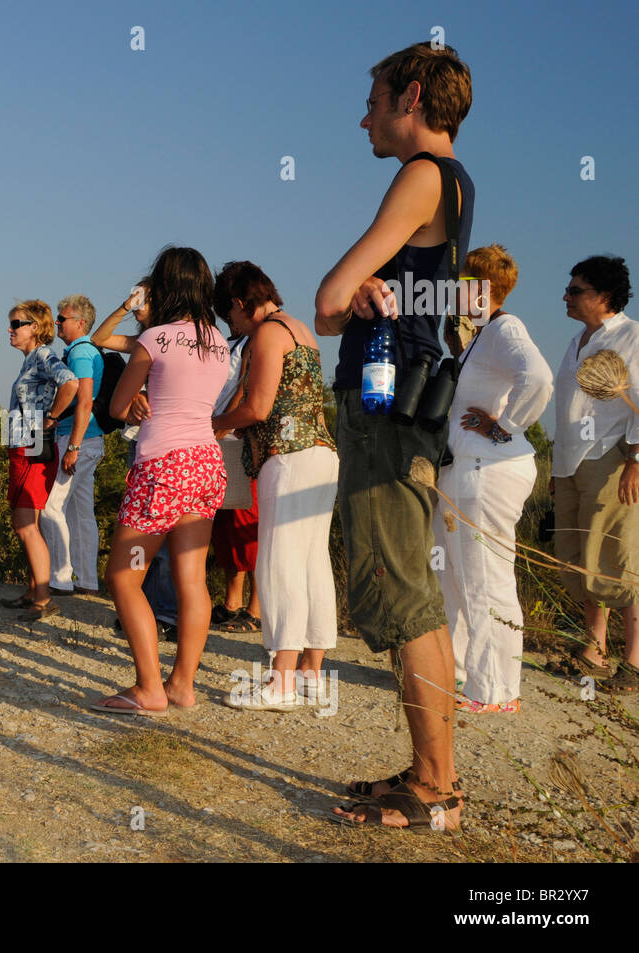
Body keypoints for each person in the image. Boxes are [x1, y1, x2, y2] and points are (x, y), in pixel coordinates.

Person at [315, 42, 473, 830]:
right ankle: (431, 774)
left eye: (375, 100)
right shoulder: (456, 183)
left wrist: (351, 297)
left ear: (412, 96)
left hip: (382, 410)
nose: (365, 117)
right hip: (411, 405)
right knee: (420, 593)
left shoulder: (418, 175)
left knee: (401, 592)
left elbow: (327, 300)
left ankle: (435, 788)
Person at [94, 247, 230, 714]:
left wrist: (132, 403)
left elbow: (116, 407)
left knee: (123, 575)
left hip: (162, 466)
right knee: (192, 580)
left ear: (164, 286)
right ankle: (182, 685)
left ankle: (149, 687)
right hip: (206, 463)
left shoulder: (155, 338)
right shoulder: (218, 342)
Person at [212, 261, 339, 711]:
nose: (232, 325)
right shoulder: (300, 328)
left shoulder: (267, 332)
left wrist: (215, 425)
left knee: (280, 561)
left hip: (287, 457)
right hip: (323, 453)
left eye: (229, 316)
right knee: (311, 561)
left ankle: (280, 682)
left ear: (239, 303)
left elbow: (258, 408)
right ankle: (310, 673)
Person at [431, 245, 553, 713]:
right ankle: (464, 673)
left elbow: (538, 378)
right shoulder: (482, 335)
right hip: (470, 469)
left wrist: (505, 426)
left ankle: (496, 690)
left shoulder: (506, 328)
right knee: (460, 575)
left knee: (486, 578)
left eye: (461, 282)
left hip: (490, 468)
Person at [552, 255, 639, 693]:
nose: (566, 297)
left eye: (575, 290)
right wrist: (557, 464)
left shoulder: (633, 336)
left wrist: (636, 460)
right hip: (571, 460)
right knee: (580, 555)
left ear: (603, 297)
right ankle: (595, 649)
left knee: (617, 557)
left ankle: (635, 662)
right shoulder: (575, 341)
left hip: (612, 456)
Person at [94, 282, 179, 638]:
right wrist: (125, 307)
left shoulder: (170, 339)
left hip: (165, 444)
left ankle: (167, 614)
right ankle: (142, 610)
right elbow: (100, 338)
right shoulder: (142, 341)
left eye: (145, 295)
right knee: (140, 535)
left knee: (162, 540)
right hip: (139, 441)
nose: (139, 300)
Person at [0, 300, 78, 620]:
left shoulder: (44, 355)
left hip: (33, 447)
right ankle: (34, 589)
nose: (10, 330)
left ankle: (44, 599)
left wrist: (52, 418)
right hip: (24, 446)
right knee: (26, 524)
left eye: (16, 324)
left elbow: (71, 383)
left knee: (25, 524)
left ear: (35, 327)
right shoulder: (30, 359)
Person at [40, 295, 105, 596]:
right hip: (91, 438)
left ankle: (60, 579)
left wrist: (73, 446)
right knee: (81, 512)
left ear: (80, 323)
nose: (57, 323)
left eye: (62, 319)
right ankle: (87, 581)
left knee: (52, 507)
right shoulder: (89, 350)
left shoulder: (79, 352)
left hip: (77, 437)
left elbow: (84, 398)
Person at [209, 328, 263, 634]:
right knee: (224, 522)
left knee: (248, 522)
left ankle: (256, 608)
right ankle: (232, 602)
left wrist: (221, 425)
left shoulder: (259, 337)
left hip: (241, 437)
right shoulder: (225, 341)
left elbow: (245, 387)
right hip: (219, 435)